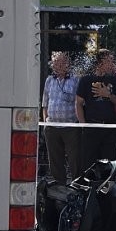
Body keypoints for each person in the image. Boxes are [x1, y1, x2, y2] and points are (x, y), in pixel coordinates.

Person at [75, 49, 116, 172]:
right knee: (88, 163)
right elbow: (78, 103)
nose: (112, 64)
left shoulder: (114, 80)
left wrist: (108, 95)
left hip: (110, 128)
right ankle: (86, 189)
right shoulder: (86, 80)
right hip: (91, 127)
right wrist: (83, 125)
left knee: (110, 163)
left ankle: (107, 189)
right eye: (109, 61)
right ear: (100, 62)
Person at [42, 51, 80, 185]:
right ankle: (59, 186)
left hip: (70, 126)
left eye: (62, 62)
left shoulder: (75, 79)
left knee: (74, 159)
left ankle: (76, 186)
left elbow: (80, 102)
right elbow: (45, 103)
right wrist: (46, 122)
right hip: (52, 126)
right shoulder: (49, 80)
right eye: (56, 62)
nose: (59, 65)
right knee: (55, 160)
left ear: (68, 64)